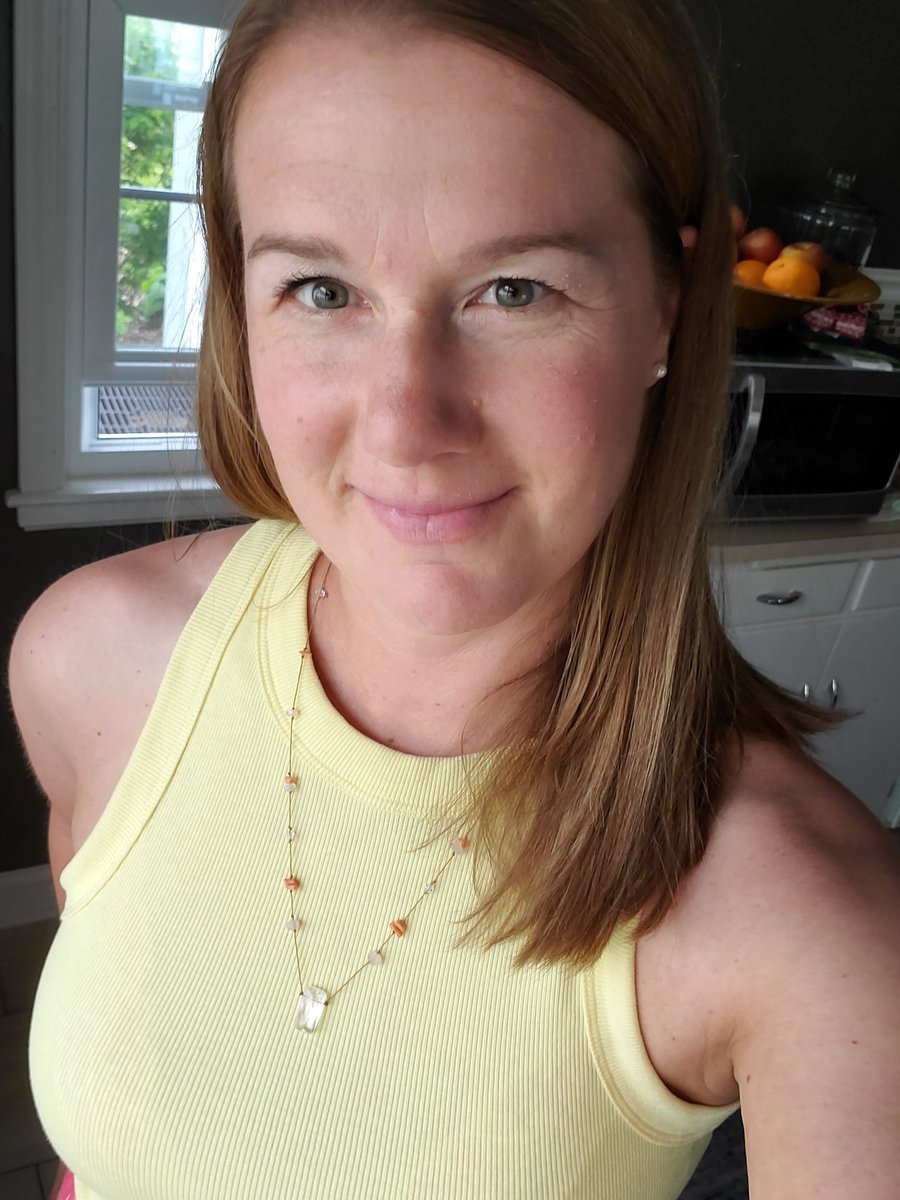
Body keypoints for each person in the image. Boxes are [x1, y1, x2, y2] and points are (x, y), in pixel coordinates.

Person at [10, 0, 900, 1197]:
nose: (406, 424)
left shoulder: (812, 919)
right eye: (322, 289)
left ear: (669, 305)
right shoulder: (92, 658)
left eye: (515, 290)